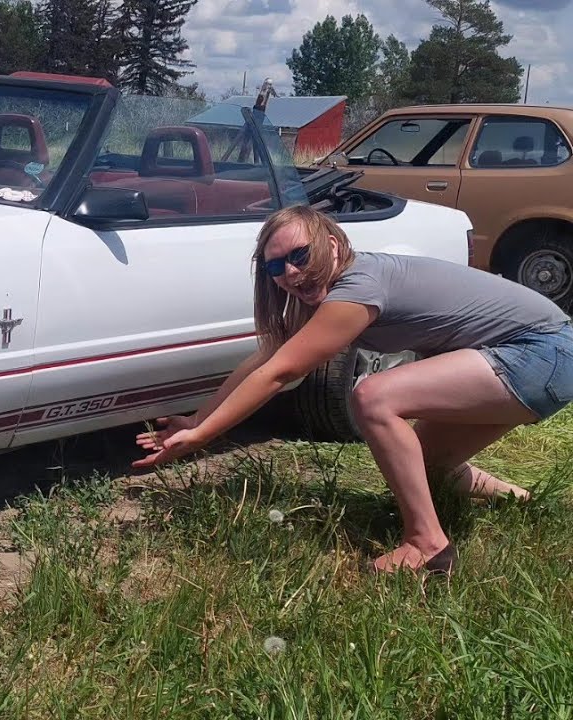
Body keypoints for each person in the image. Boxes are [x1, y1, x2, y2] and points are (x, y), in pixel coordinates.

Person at [132, 205, 573, 575]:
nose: (288, 272)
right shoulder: (334, 290)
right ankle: (520, 501)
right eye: (274, 266)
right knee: (426, 464)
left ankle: (427, 544)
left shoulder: (359, 284)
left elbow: (282, 373)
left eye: (300, 254)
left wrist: (205, 438)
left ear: (335, 244)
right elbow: (266, 358)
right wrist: (197, 420)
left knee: (374, 396)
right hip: (540, 356)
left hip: (544, 352)